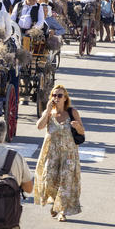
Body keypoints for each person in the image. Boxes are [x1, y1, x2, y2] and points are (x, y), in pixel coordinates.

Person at [34, 85, 83, 221]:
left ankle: (62, 211)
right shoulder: (49, 113)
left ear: (65, 98)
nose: (56, 98)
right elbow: (39, 126)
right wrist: (47, 111)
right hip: (52, 154)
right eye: (54, 95)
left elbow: (82, 132)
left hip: (68, 154)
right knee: (49, 180)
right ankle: (55, 202)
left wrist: (77, 126)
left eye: (59, 95)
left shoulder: (72, 112)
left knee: (65, 181)